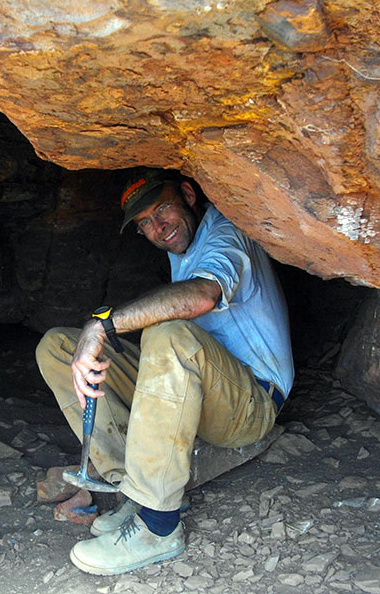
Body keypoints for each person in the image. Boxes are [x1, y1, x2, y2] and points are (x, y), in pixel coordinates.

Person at [35, 168, 294, 575]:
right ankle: (134, 492)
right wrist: (94, 329)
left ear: (189, 195)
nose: (158, 228)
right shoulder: (180, 253)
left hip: (250, 403)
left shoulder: (226, 234)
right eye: (145, 224)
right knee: (57, 345)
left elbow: (203, 295)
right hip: (205, 387)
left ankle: (159, 527)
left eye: (163, 210)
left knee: (170, 334)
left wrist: (102, 325)